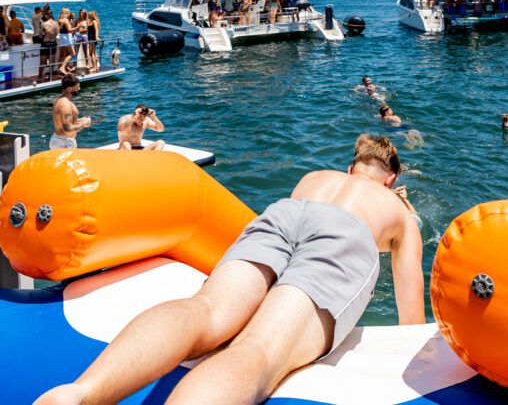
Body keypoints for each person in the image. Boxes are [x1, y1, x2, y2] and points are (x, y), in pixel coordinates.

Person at [36, 134, 424, 405]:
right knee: (259, 350)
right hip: (345, 235)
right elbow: (412, 324)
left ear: (352, 166)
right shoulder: (398, 212)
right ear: (390, 179)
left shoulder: (315, 179)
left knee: (206, 310)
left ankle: (79, 393)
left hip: (285, 214)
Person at [49, 74, 92, 149]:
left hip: (61, 141)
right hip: (64, 144)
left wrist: (81, 120)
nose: (79, 89)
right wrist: (84, 124)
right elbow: (67, 129)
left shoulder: (59, 100)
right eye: (77, 87)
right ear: (69, 89)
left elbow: (65, 122)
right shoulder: (66, 105)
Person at [38, 9, 59, 81]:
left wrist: (44, 34)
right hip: (53, 43)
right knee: (51, 61)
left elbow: (40, 36)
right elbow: (56, 33)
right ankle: (49, 76)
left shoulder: (44, 24)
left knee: (42, 62)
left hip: (46, 44)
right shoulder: (56, 23)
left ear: (46, 15)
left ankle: (40, 77)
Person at [57, 8, 77, 75]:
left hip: (61, 37)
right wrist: (78, 26)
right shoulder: (66, 20)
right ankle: (62, 68)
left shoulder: (60, 19)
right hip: (66, 38)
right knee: (72, 54)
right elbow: (69, 30)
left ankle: (59, 68)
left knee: (63, 54)